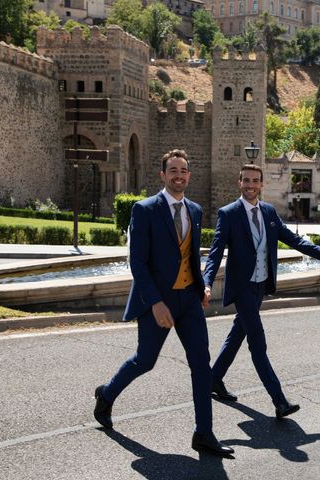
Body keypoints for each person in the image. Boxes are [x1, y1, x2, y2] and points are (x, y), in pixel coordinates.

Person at [93, 149, 233, 457]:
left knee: (201, 365)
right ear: (163, 175)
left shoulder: (194, 211)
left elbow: (191, 257)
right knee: (146, 360)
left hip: (190, 300)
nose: (178, 175)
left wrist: (202, 286)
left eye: (183, 170)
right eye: (173, 170)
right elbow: (138, 263)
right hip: (158, 300)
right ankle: (107, 394)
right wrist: (155, 302)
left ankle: (204, 433)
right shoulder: (145, 210)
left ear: (188, 175)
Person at [202, 164, 320, 418]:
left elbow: (294, 240)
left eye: (255, 181)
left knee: (238, 333)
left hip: (261, 285)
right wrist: (206, 282)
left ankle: (214, 378)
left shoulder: (268, 212)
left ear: (261, 184)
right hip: (243, 287)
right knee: (258, 342)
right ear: (239, 182)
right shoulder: (229, 214)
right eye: (246, 180)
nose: (250, 185)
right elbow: (215, 254)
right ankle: (279, 400)